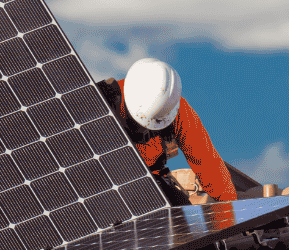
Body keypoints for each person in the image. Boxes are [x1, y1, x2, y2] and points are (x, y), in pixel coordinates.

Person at [100, 58, 237, 205]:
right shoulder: (99, 104)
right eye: (138, 122)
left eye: (153, 124)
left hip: (154, 185)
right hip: (103, 184)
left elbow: (208, 163)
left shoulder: (175, 109)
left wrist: (232, 210)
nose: (145, 130)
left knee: (181, 215)